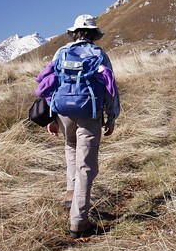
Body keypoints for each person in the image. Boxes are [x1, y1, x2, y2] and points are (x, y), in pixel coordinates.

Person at [45, 14, 120, 238]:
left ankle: (71, 196)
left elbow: (50, 83)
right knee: (86, 166)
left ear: (75, 32)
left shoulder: (61, 52)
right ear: (94, 35)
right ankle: (79, 222)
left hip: (63, 111)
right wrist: (111, 117)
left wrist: (51, 117)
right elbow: (110, 88)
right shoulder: (98, 54)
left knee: (70, 148)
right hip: (90, 111)